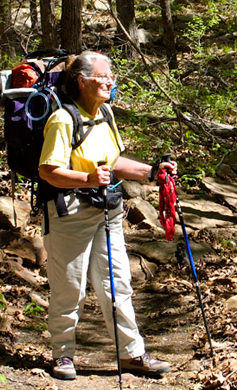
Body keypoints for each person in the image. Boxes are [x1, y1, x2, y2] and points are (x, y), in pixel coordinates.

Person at [38, 51, 175, 380]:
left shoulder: (106, 115)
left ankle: (132, 354)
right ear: (82, 81)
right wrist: (86, 179)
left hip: (108, 212)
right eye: (102, 77)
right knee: (70, 287)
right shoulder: (62, 119)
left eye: (111, 76)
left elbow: (114, 162)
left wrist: (151, 172)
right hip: (70, 214)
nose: (109, 81)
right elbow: (48, 170)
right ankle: (62, 355)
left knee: (118, 285)